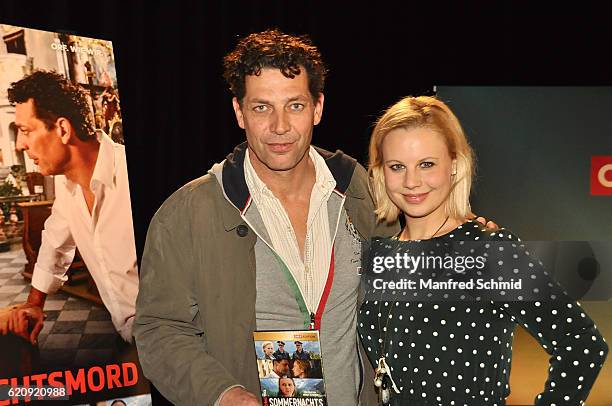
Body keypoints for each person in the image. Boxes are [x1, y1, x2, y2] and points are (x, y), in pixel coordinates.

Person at [133, 29, 400, 406]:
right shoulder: (187, 214)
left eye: (295, 105)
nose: (279, 126)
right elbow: (159, 329)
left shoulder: (364, 192)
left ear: (318, 108)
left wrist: (466, 230)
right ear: (239, 112)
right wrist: (222, 395)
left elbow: (411, 274)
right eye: (262, 107)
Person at [358, 96, 609, 405]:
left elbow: (582, 343)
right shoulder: (381, 255)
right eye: (397, 166)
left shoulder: (487, 252)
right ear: (381, 172)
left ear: (454, 165)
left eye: (426, 164)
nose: (411, 181)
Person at [1, 70, 138, 343]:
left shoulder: (129, 176)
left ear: (62, 129)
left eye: (26, 131)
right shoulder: (68, 189)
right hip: (135, 339)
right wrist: (34, 304)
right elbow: (54, 245)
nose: (20, 144)